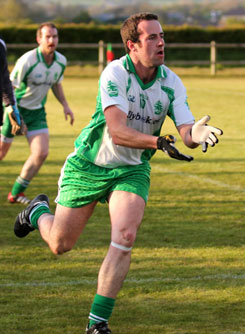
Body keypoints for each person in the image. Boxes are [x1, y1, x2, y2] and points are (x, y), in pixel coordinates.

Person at [14, 12, 223, 334]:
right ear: (132, 45)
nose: (161, 42)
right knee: (60, 245)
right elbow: (116, 131)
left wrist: (196, 133)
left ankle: (97, 323)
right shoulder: (115, 73)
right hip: (89, 165)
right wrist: (158, 141)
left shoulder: (171, 82)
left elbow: (184, 132)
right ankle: (38, 211)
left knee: (125, 236)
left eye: (162, 35)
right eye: (151, 37)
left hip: (132, 169)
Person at [0, 22, 74, 205]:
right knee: (1, 153)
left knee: (41, 153)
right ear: (38, 39)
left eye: (55, 36)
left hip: (37, 113)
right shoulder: (27, 60)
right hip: (15, 111)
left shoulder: (61, 61)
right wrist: (14, 114)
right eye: (47, 36)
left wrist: (65, 105)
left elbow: (56, 83)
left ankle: (16, 193)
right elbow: (9, 86)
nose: (52, 40)